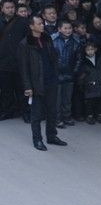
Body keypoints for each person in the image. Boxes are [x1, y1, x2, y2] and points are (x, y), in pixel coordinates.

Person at [19, 15, 67, 151]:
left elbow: (52, 58)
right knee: (36, 114)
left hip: (51, 79)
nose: (42, 25)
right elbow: (23, 68)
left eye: (42, 23)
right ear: (31, 26)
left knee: (52, 111)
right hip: (36, 83)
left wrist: (56, 73)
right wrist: (28, 86)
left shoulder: (47, 38)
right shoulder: (25, 44)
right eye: (39, 23)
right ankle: (37, 139)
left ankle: (51, 136)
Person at [0, 0, 29, 121]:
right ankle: (7, 111)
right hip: (3, 61)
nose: (10, 10)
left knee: (22, 89)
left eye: (12, 7)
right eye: (8, 7)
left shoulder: (23, 22)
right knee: (6, 89)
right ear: (2, 8)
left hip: (19, 61)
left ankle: (26, 112)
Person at [51, 19, 82, 128]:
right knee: (57, 99)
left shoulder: (76, 41)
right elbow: (49, 58)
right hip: (56, 74)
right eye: (65, 28)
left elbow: (79, 58)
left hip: (69, 74)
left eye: (70, 28)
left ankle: (67, 117)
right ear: (59, 29)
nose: (68, 30)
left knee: (67, 98)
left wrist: (75, 71)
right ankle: (57, 119)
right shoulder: (53, 40)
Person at [78, 39, 101, 124]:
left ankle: (100, 114)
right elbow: (81, 74)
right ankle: (89, 115)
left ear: (95, 49)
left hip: (99, 82)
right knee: (89, 101)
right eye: (88, 50)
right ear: (85, 51)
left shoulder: (100, 59)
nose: (90, 51)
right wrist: (82, 82)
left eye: (91, 49)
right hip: (89, 83)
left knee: (99, 100)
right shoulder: (83, 61)